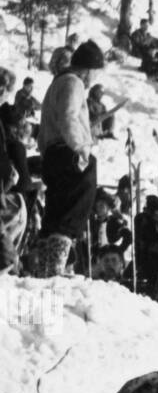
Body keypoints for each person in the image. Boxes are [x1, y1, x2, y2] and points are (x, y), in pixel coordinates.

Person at [35, 39, 105, 275]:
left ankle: (45, 266)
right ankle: (56, 263)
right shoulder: (73, 83)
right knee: (73, 207)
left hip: (53, 154)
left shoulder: (58, 83)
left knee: (55, 210)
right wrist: (81, 149)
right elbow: (69, 118)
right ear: (87, 68)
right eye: (94, 72)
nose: (93, 78)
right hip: (68, 152)